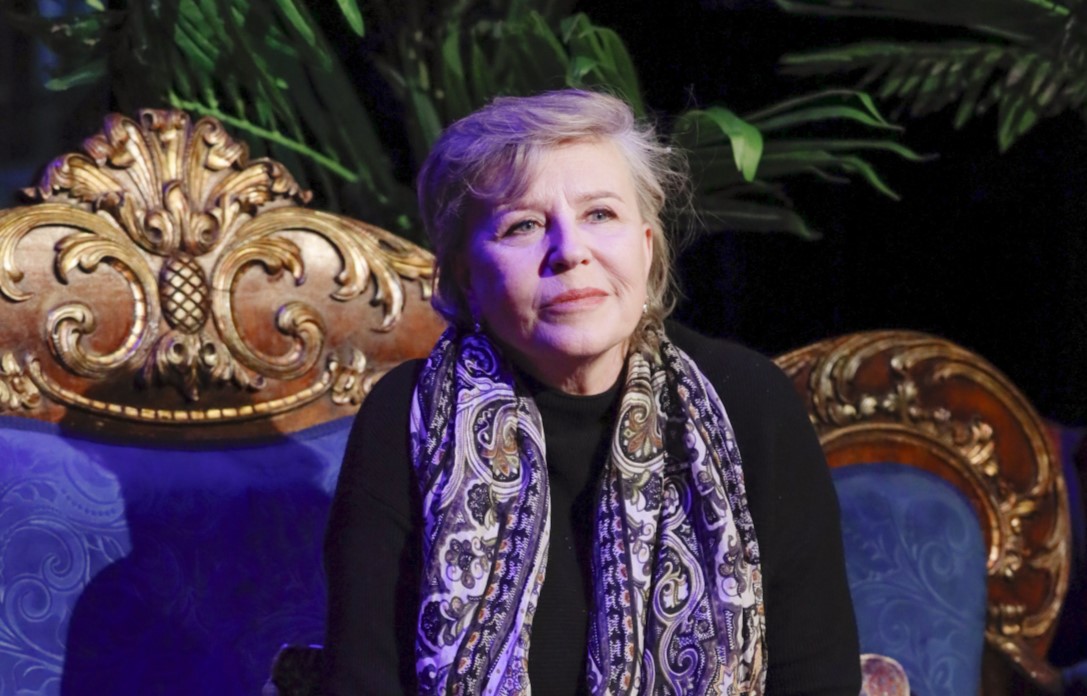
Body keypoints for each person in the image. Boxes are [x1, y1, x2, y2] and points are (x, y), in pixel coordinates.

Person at [322, 88, 860, 695]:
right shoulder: (408, 416)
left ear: (646, 246)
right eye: (524, 225)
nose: (570, 252)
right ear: (467, 277)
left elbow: (816, 680)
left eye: (600, 215)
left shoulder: (749, 403)